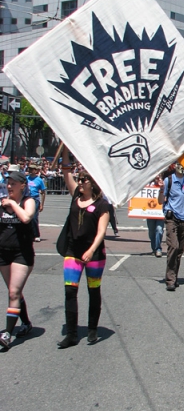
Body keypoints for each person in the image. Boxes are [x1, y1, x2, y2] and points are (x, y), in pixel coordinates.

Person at [58, 147, 110, 348]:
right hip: (73, 252)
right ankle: (71, 334)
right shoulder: (75, 197)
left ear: (93, 182)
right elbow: (65, 171)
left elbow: (101, 232)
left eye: (84, 180)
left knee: (93, 290)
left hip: (94, 254)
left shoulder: (101, 205)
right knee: (70, 292)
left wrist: (90, 250)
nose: (80, 182)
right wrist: (64, 150)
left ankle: (92, 329)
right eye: (79, 179)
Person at [0, 171, 36, 348]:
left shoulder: (27, 201)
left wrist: (13, 204)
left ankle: (7, 333)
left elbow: (26, 218)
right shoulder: (1, 203)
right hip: (3, 252)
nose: (9, 186)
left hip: (22, 253)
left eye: (13, 183)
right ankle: (26, 323)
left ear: (22, 185)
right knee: (15, 292)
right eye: (8, 183)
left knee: (13, 292)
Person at [158, 162, 184, 291]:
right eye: (179, 165)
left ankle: (174, 276)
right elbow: (160, 201)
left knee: (180, 250)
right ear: (175, 166)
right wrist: (161, 189)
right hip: (172, 217)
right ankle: (170, 279)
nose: (182, 168)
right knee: (173, 247)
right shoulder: (168, 180)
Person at [26, 163, 46, 242]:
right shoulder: (26, 178)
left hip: (35, 199)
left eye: (32, 169)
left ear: (35, 170)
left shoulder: (39, 180)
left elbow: (43, 192)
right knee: (26, 218)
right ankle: (28, 234)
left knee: (34, 218)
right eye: (29, 169)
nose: (30, 171)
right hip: (27, 198)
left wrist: (42, 204)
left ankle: (36, 234)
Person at [147, 174, 165, 257]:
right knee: (151, 232)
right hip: (150, 212)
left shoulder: (165, 184)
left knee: (159, 230)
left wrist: (163, 187)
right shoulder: (148, 185)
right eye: (156, 177)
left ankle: (158, 249)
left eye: (159, 176)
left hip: (160, 213)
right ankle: (153, 248)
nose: (157, 178)